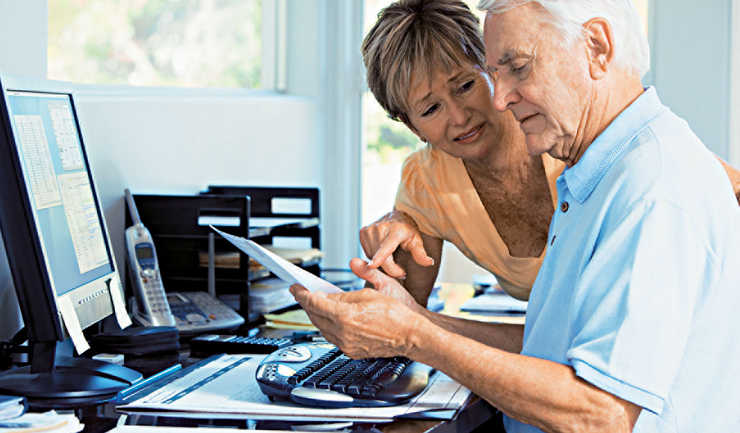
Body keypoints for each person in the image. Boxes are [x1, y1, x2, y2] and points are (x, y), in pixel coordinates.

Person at [291, 0, 740, 432]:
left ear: (598, 47)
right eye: (497, 71)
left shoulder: (650, 186)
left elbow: (600, 416)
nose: (499, 98)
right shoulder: (592, 171)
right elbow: (550, 346)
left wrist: (414, 335)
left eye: (517, 67)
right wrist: (411, 318)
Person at [359, 0, 740, 305]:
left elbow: (715, 184)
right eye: (430, 109)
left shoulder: (560, 128)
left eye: (464, 85)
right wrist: (393, 235)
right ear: (411, 126)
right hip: (567, 352)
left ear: (493, 67)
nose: (459, 117)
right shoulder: (425, 183)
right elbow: (397, 319)